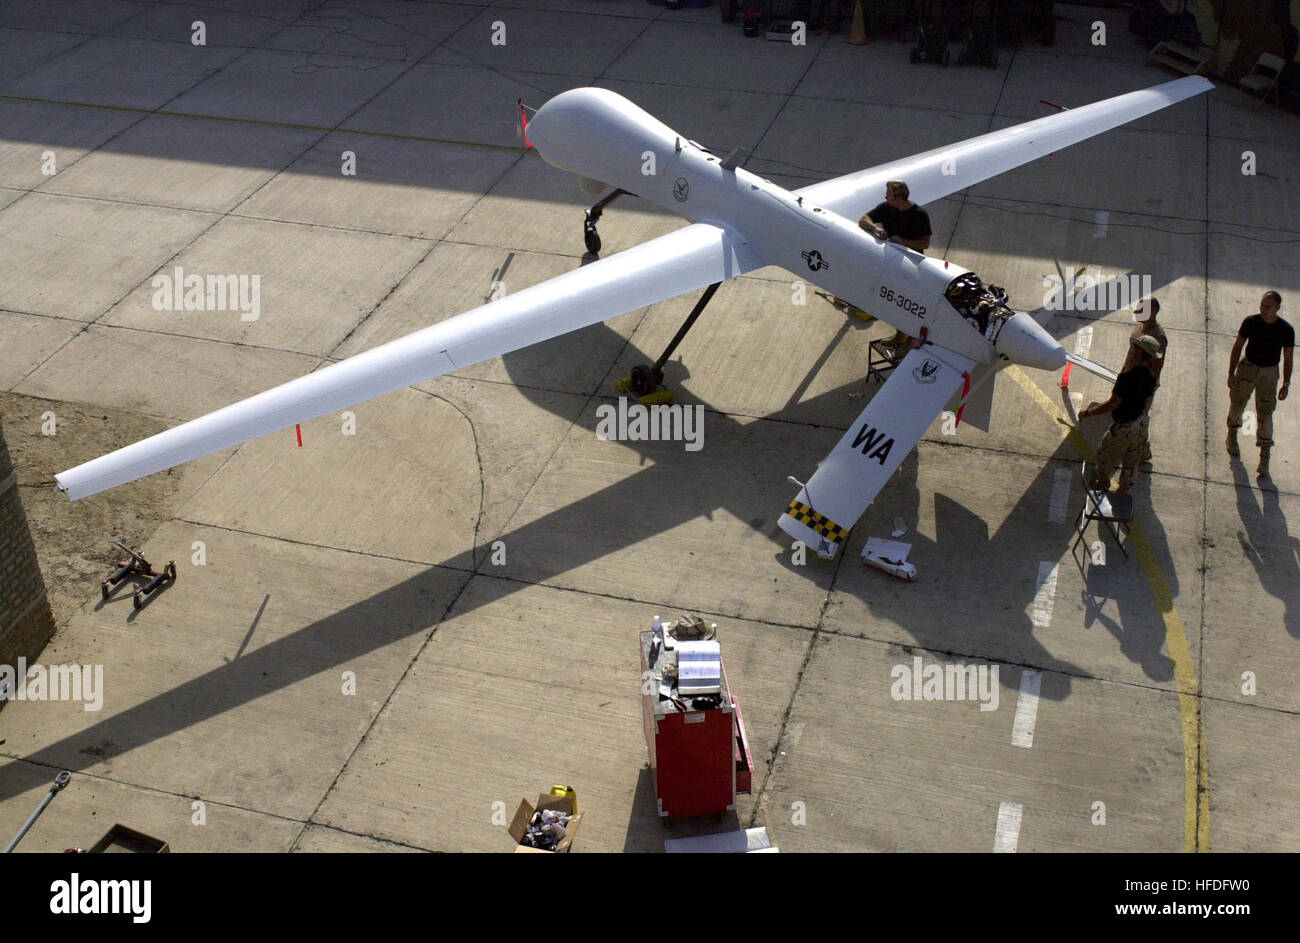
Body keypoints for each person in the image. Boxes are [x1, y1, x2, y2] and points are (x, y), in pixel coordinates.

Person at [1080, 334, 1162, 494]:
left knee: (1103, 460)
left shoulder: (1126, 377)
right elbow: (1146, 402)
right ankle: (1124, 490)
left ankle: (1100, 486)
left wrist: (1088, 413)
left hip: (1123, 428)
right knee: (1130, 463)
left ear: (1139, 352)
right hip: (1138, 426)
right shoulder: (1151, 376)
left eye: (1135, 347)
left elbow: (1113, 403)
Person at [1227, 290, 1293, 477]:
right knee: (1237, 403)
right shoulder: (1251, 322)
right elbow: (1238, 346)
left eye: (1268, 306)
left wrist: (1286, 383)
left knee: (1265, 412)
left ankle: (1264, 455)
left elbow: (1288, 358)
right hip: (1248, 367)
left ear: (1277, 308)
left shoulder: (1286, 330)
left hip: (1269, 373)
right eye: (1262, 305)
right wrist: (1231, 373)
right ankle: (1232, 434)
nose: (1263, 309)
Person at [1118, 297, 1167, 467]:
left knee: (1139, 418)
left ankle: (1140, 451)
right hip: (1130, 376)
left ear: (1151, 312)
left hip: (1141, 384)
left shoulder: (1158, 336)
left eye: (1140, 309)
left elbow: (1157, 366)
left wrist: (1145, 390)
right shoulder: (1141, 326)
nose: (1135, 312)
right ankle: (1142, 450)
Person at [859, 180, 932, 252]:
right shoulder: (885, 208)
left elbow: (925, 244)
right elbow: (863, 220)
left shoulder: (920, 215)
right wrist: (876, 228)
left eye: (888, 196)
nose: (886, 198)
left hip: (909, 259)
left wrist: (902, 241)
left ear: (898, 199)